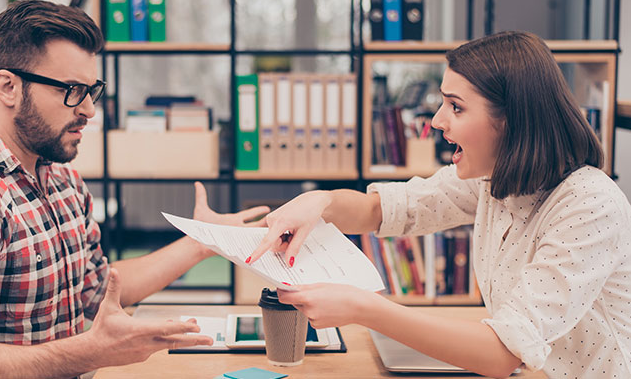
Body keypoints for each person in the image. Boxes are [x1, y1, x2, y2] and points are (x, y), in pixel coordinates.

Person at [0, 1, 268, 379]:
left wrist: (201, 242)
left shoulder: (60, 178)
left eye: (92, 90)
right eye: (73, 90)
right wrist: (89, 352)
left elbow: (92, 289)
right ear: (8, 86)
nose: (90, 110)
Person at [246, 31, 631, 378]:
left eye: (456, 107)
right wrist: (322, 201)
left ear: (511, 121)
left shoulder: (590, 206)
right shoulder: (493, 179)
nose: (436, 121)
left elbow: (501, 355)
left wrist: (364, 309)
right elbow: (384, 209)